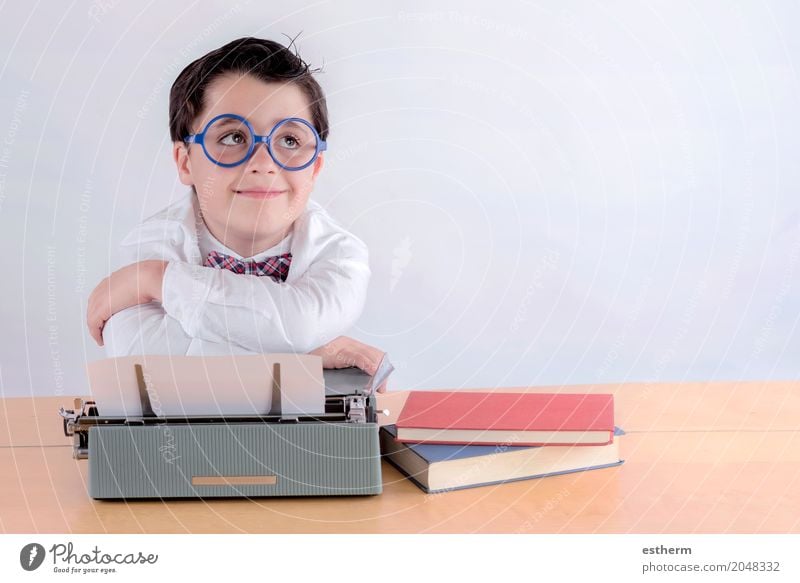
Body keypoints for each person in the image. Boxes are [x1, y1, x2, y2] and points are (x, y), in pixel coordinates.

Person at [86, 37, 387, 390]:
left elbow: (302, 324)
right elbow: (144, 362)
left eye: (289, 140)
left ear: (315, 168)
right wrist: (302, 358)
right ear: (186, 162)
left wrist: (162, 280)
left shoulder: (341, 254)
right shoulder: (151, 243)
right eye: (232, 138)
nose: (263, 164)